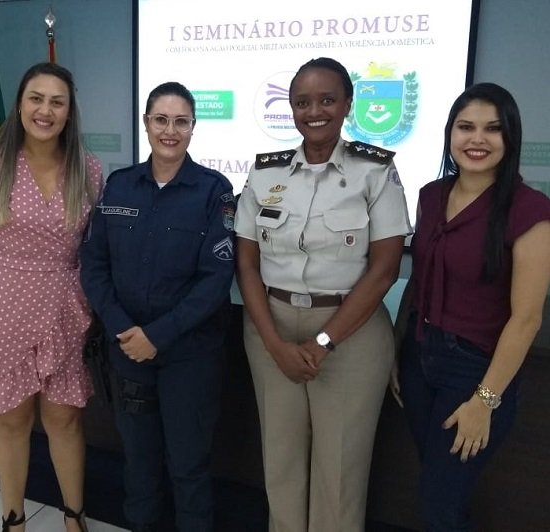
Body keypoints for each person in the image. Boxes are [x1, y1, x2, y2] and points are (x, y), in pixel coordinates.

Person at [234, 57, 412, 532]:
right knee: (281, 462)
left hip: (351, 334)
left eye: (327, 100)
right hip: (271, 327)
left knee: (340, 471)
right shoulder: (264, 173)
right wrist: (275, 344)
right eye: (302, 102)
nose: (314, 111)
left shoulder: (375, 171)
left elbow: (385, 270)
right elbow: (247, 265)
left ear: (348, 104)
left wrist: (323, 343)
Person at [390, 82, 550, 531]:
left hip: (475, 371)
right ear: (450, 134)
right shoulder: (431, 195)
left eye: (493, 129)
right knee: (440, 491)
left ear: (510, 137)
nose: (477, 139)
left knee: (439, 504)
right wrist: (396, 350)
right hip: (420, 358)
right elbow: (419, 279)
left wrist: (485, 401)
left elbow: (526, 319)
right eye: (466, 127)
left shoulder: (531, 209)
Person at [0, 62, 103, 531]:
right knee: (11, 422)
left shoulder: (88, 169)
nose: (45, 110)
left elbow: (95, 249)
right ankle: (13, 519)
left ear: (69, 112)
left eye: (57, 102)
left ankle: (73, 516)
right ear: (19, 104)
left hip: (64, 313)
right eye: (36, 98)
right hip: (3, 312)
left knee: (65, 421)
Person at [80, 81, 235, 532]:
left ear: (193, 127)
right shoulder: (119, 186)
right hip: (127, 352)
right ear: (146, 123)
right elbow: (94, 265)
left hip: (189, 356)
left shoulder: (214, 191)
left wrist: (157, 335)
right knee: (139, 463)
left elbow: (216, 279)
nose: (170, 130)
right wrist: (122, 328)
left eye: (181, 122)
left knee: (188, 465)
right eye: (161, 120)